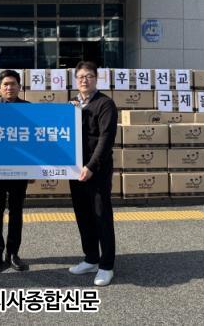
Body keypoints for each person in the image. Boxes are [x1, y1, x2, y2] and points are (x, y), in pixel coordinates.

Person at [68, 61, 118, 286]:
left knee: (101, 216)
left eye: (89, 76)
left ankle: (106, 265)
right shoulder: (73, 104)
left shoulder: (105, 104)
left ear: (96, 79)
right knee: (83, 215)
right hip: (75, 169)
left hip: (96, 170)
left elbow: (106, 139)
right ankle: (90, 258)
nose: (84, 80)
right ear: (75, 80)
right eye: (80, 77)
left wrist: (91, 166)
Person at [0, 69, 30, 274]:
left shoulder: (29, 109)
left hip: (20, 168)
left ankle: (13, 253)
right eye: (5, 84)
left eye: (13, 84)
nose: (9, 87)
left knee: (16, 211)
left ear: (20, 87)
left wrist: (33, 169)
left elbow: (34, 141)